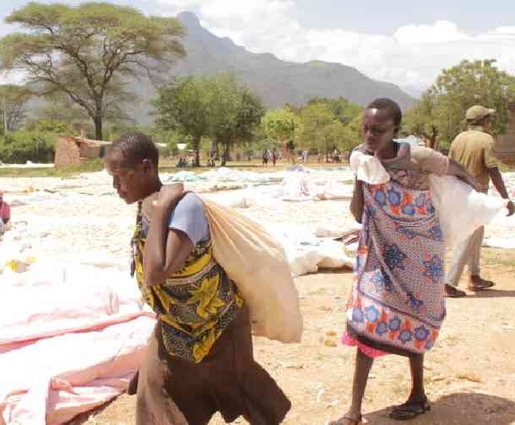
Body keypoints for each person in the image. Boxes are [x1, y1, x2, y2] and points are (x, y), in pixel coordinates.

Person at [105, 132, 290, 425]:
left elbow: (156, 272)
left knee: (238, 386)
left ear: (146, 168)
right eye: (111, 178)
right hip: (175, 325)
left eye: (120, 176)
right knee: (155, 391)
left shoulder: (184, 207)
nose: (115, 186)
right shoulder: (146, 205)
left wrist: (164, 207)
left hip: (219, 323)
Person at [331, 99, 479, 425]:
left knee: (415, 319)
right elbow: (358, 213)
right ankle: (354, 411)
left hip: (420, 254)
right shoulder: (360, 157)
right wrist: (363, 176)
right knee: (367, 321)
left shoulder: (418, 157)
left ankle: (418, 394)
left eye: (378, 130)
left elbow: (458, 171)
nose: (370, 135)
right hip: (379, 253)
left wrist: (482, 198)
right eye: (366, 128)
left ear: (395, 130)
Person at [444, 105, 515, 297]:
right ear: (483, 120)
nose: (490, 122)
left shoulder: (458, 138)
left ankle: (474, 276)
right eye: (488, 118)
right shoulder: (486, 139)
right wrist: (505, 198)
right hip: (476, 193)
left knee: (477, 233)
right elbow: (493, 170)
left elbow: (448, 165)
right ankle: (449, 283)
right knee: (467, 238)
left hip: (459, 192)